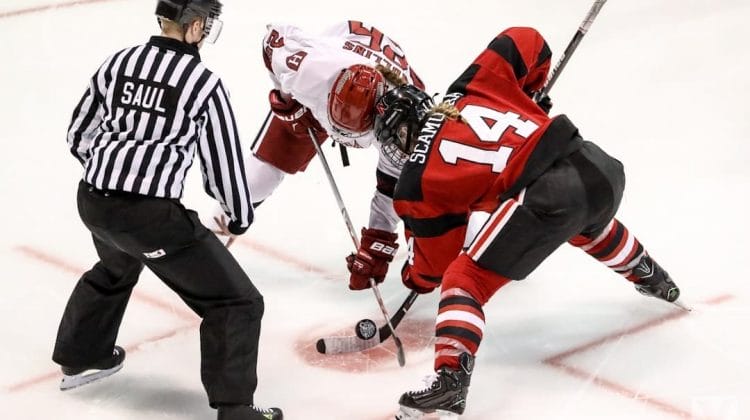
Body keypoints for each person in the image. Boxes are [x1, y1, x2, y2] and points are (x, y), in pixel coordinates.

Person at [371, 27, 682, 419]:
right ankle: (653, 276)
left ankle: (449, 383)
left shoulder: (415, 181)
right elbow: (524, 40)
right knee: (584, 224)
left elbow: (436, 266)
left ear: (401, 132)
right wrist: (528, 94)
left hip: (550, 194)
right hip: (598, 166)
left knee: (464, 280)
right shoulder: (467, 86)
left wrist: (414, 278)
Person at [53, 1, 281, 419]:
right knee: (236, 302)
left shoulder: (117, 63)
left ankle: (82, 354)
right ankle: (236, 410)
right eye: (206, 23)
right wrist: (239, 215)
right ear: (194, 25)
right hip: (151, 219)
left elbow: (78, 134)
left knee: (117, 265)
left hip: (93, 201)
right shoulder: (202, 83)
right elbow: (222, 168)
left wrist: (112, 175)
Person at [249, 21, 425, 290]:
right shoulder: (311, 72)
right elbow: (273, 39)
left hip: (378, 97)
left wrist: (377, 247)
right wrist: (287, 98)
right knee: (253, 185)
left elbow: (390, 190)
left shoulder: (400, 122)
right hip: (327, 85)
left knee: (416, 181)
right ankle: (222, 220)